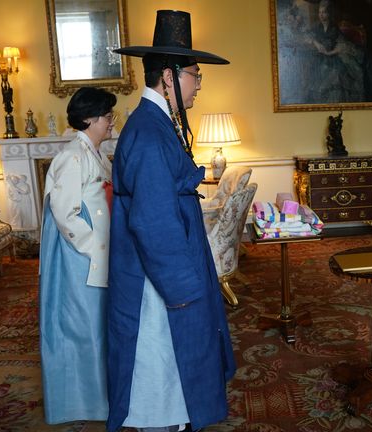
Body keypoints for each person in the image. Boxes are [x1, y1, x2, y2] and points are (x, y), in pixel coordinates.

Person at [107, 10, 236, 432]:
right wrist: (182, 287)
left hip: (169, 259)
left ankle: (173, 418)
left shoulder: (160, 122)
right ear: (169, 76)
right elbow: (150, 220)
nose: (199, 84)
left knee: (171, 348)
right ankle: (161, 422)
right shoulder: (147, 131)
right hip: (155, 272)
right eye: (195, 75)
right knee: (161, 346)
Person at [39, 87, 116, 424]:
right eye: (107, 115)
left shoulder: (96, 153)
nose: (112, 122)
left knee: (97, 327)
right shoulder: (72, 157)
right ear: (89, 119)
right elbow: (65, 214)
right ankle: (82, 404)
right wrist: (94, 249)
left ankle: (101, 397)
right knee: (81, 328)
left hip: (96, 254)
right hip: (79, 258)